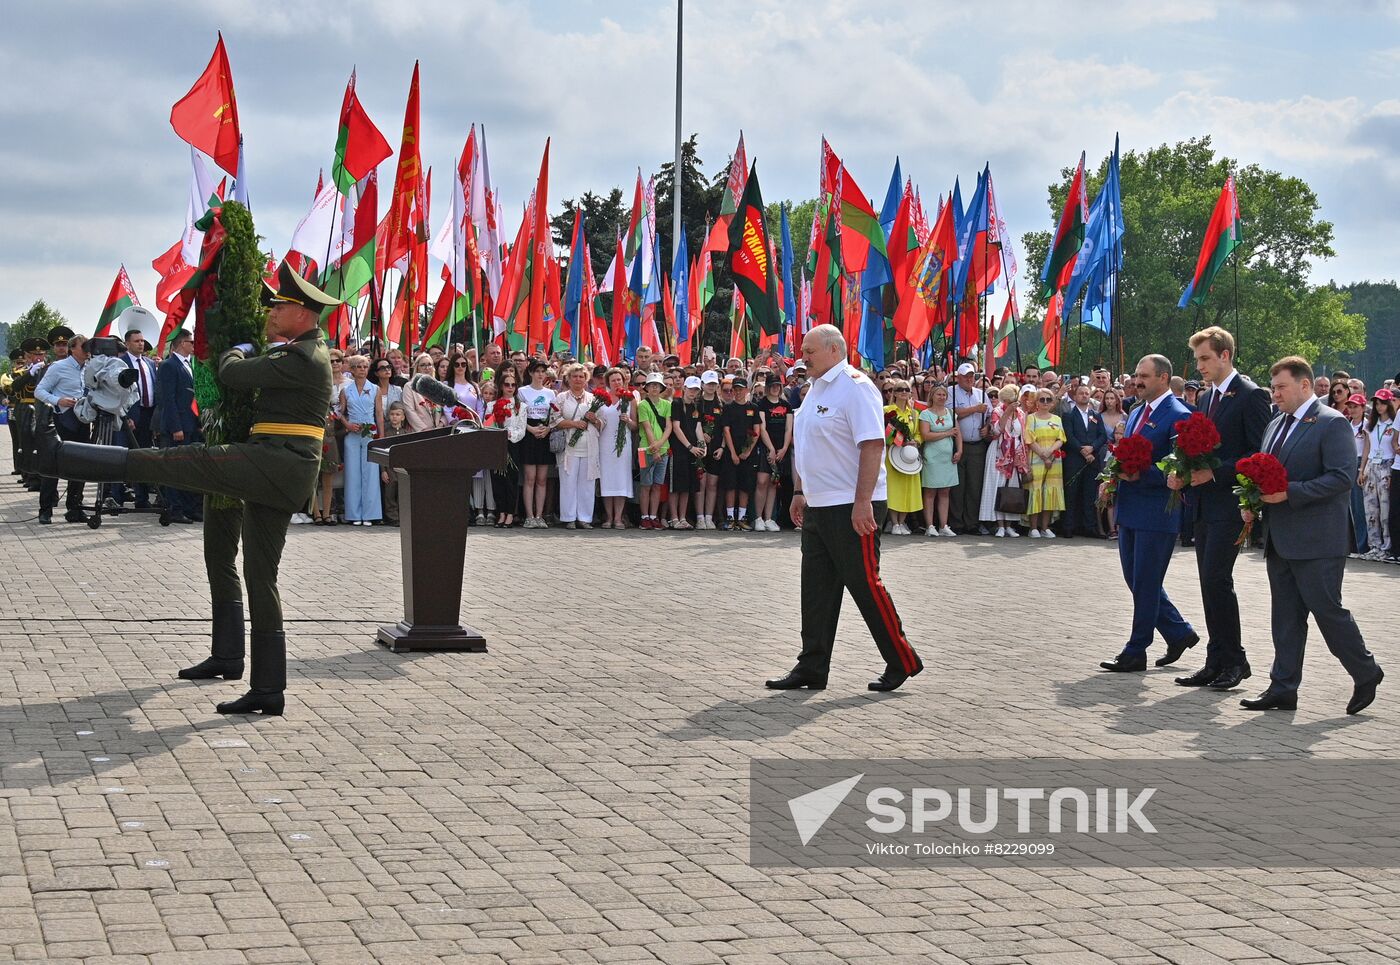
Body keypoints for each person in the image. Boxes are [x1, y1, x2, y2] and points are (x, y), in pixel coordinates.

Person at [33, 262, 340, 716]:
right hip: (279, 465)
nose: (272, 312)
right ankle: (264, 684)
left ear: (304, 313)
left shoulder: (301, 356)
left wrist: (233, 352)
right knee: (258, 575)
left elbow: (233, 375)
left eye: (280, 306)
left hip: (275, 461)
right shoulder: (301, 351)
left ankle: (67, 458)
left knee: (183, 462)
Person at [766, 324, 922, 693]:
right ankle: (812, 667)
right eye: (803, 351)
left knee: (864, 583)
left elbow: (871, 446)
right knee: (816, 589)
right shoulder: (816, 387)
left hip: (852, 503)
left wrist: (863, 501)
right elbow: (806, 446)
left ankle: (902, 659)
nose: (803, 357)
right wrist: (799, 491)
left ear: (835, 350)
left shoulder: (856, 387)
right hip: (818, 504)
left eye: (810, 350)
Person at [1240, 357, 1384, 714]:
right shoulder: (1275, 424)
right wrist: (1252, 500)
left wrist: (1291, 492)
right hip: (1280, 536)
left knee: (1327, 612)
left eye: (1281, 387)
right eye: (1272, 387)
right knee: (1285, 617)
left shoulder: (1330, 423)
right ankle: (1283, 687)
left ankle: (1365, 671)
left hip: (1318, 539)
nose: (1274, 394)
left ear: (1304, 386)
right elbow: (1264, 470)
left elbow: (1341, 477)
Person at [1170, 327, 1272, 690]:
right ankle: (1216, 659)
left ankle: (1236, 659)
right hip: (1204, 503)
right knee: (1207, 583)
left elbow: (1257, 452)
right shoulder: (1209, 397)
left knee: (1217, 579)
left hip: (1230, 502)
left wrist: (1213, 471)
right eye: (1198, 359)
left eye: (1205, 359)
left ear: (1225, 355)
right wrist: (1182, 470)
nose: (1199, 366)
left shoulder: (1251, 395)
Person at [1098, 355, 1200, 673]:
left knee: (1145, 580)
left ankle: (1136, 649)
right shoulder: (1138, 409)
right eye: (1137, 376)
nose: (1137, 381)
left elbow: (1178, 466)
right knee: (1136, 578)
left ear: (1164, 378)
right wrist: (1112, 478)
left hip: (1157, 510)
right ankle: (1178, 632)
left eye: (1145, 376)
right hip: (1130, 506)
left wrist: (1141, 474)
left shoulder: (1179, 414)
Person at [33, 330, 92, 524]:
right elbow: (40, 391)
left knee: (81, 465)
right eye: (84, 347)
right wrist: (58, 400)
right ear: (72, 349)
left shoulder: (90, 368)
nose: (87, 351)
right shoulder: (59, 367)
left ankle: (74, 508)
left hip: (83, 421)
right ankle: (46, 509)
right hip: (62, 420)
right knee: (54, 466)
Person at [554, 362, 601, 529]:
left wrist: (594, 419)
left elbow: (602, 423)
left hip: (589, 447)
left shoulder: (593, 399)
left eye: (581, 376)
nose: (578, 379)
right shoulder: (561, 398)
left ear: (586, 379)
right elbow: (555, 420)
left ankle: (585, 518)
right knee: (568, 483)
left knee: (587, 484)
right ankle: (569, 518)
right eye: (574, 376)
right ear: (568, 378)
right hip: (569, 447)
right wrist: (574, 424)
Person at [339, 356, 383, 526]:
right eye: (358, 366)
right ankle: (354, 513)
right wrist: (347, 424)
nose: (362, 369)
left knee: (371, 473)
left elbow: (379, 414)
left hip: (370, 434)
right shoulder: (346, 391)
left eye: (365, 366)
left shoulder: (375, 389)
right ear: (352, 369)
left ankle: (370, 513)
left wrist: (381, 436)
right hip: (352, 434)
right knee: (352, 473)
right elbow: (339, 412)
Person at [1062, 381, 1108, 538]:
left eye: (1087, 393)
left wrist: (1092, 448)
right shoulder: (1068, 415)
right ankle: (1068, 526)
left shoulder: (1095, 415)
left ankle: (1090, 527)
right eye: (1081, 393)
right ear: (1075, 396)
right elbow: (1069, 436)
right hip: (1075, 460)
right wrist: (1082, 450)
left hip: (1092, 461)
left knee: (1090, 495)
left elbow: (1103, 435)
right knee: (1071, 494)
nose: (1084, 396)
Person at [949, 362, 989, 534]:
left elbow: (989, 415)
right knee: (957, 487)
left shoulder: (981, 394)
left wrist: (987, 426)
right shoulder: (951, 392)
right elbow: (952, 413)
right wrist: (974, 409)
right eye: (965, 376)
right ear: (958, 377)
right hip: (958, 444)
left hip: (977, 446)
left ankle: (971, 523)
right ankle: (956, 523)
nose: (969, 379)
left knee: (974, 486)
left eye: (971, 376)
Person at [516, 360, 557, 529]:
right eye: (537, 371)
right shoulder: (522, 391)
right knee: (530, 478)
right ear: (531, 373)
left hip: (544, 435)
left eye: (543, 371)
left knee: (542, 479)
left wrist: (548, 429)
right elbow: (517, 416)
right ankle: (529, 516)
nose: (540, 374)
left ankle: (539, 515)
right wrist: (531, 429)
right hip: (529, 435)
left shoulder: (551, 394)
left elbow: (554, 416)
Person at [918, 382, 960, 537]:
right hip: (932, 456)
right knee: (930, 492)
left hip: (947, 458)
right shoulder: (926, 414)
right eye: (939, 394)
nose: (942, 397)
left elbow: (958, 433)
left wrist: (959, 450)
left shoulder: (951, 413)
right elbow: (926, 435)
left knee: (945, 491)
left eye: (944, 395)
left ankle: (943, 525)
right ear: (932, 396)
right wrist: (946, 433)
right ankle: (929, 525)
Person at [751, 374, 792, 532]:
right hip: (765, 446)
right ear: (767, 387)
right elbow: (762, 428)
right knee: (762, 481)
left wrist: (783, 448)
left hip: (782, 448)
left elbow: (789, 428)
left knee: (774, 483)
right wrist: (771, 449)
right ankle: (758, 517)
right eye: (772, 385)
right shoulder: (761, 404)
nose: (775, 388)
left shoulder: (786, 405)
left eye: (778, 385)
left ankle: (769, 518)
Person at [1024, 389, 1067, 538]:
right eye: (1042, 399)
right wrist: (1043, 454)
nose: (1045, 402)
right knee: (1036, 491)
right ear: (1036, 402)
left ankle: (1045, 527)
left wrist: (1049, 453)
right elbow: (1029, 439)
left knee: (1050, 491)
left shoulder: (1057, 419)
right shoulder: (1031, 418)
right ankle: (1033, 528)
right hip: (1036, 459)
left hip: (1054, 460)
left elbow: (1061, 438)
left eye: (1048, 399)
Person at [718, 377, 760, 531]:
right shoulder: (728, 408)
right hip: (732, 453)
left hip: (748, 454)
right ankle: (730, 518)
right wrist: (734, 453)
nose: (738, 392)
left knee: (745, 486)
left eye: (741, 388)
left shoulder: (753, 407)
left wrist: (748, 451)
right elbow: (726, 430)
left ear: (747, 390)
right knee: (730, 485)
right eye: (735, 389)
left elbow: (757, 430)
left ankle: (741, 518)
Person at [882, 380, 923, 535]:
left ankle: (902, 521)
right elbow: (884, 433)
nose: (903, 392)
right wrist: (897, 440)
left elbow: (918, 433)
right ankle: (894, 523)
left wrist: (916, 441)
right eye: (900, 389)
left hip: (909, 456)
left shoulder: (913, 413)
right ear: (894, 393)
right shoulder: (887, 410)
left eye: (906, 389)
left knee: (908, 488)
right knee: (894, 488)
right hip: (893, 453)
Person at [597, 368, 636, 529]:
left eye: (619, 379)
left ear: (624, 380)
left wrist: (627, 420)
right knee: (607, 479)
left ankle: (618, 518)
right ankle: (609, 517)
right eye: (613, 380)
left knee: (620, 479)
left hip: (623, 444)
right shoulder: (601, 398)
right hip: (604, 443)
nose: (616, 382)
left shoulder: (630, 399)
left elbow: (635, 426)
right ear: (608, 382)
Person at [668, 376, 706, 530]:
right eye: (690, 388)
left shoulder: (697, 405)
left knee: (687, 486)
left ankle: (682, 517)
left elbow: (698, 427)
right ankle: (674, 518)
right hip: (678, 450)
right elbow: (676, 427)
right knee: (675, 486)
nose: (693, 392)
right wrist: (690, 446)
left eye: (696, 389)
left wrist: (702, 446)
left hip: (693, 452)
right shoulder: (676, 403)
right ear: (684, 388)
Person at [636, 373, 672, 530]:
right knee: (645, 484)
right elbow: (647, 427)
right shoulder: (642, 405)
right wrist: (654, 447)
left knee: (657, 484)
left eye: (657, 385)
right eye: (651, 385)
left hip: (663, 450)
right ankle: (644, 517)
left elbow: (669, 427)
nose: (654, 388)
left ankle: (653, 516)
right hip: (645, 450)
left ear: (662, 388)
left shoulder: (667, 404)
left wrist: (660, 445)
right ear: (647, 388)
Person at [1363, 390, 1395, 560]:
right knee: (1370, 508)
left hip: (1386, 465)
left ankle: (1387, 546)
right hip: (1371, 465)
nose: (1379, 406)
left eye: (1382, 403)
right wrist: (1362, 470)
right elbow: (1366, 448)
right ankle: (1373, 546)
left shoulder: (1394, 424)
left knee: (1385, 509)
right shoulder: (1371, 424)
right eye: (1376, 403)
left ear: (1389, 404)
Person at [696, 371, 724, 529]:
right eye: (709, 384)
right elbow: (695, 425)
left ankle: (709, 517)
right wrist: (702, 437)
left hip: (716, 450)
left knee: (712, 484)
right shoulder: (697, 403)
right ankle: (700, 517)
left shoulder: (721, 405)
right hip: (701, 450)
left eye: (714, 384)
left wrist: (722, 447)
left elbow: (725, 429)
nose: (711, 387)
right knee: (701, 482)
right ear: (702, 385)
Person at [380, 401, 409, 525]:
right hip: (389, 468)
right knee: (390, 492)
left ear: (403, 417)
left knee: (402, 492)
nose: (394, 417)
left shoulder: (406, 434)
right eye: (392, 414)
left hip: (402, 469)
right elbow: (381, 454)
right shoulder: (386, 434)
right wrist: (383, 471)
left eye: (398, 414)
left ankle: (402, 516)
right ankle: (392, 517)